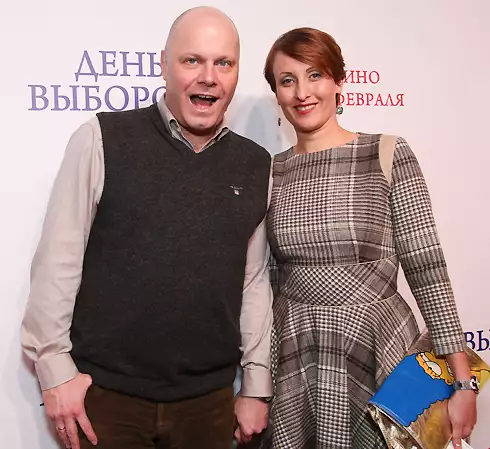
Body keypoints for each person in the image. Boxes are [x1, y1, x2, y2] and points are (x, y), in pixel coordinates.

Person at [20, 7, 273, 449]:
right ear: (163, 65)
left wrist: (255, 384)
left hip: (210, 405)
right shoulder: (101, 137)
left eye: (224, 63)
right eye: (192, 60)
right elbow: (59, 260)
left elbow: (252, 283)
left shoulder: (255, 163)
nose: (209, 77)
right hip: (105, 402)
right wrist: (54, 370)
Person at [261, 27, 477, 449]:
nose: (302, 92)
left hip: (377, 347)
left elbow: (427, 269)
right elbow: (266, 279)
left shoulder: (387, 153)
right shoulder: (271, 171)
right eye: (288, 80)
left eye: (315, 75)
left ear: (338, 81)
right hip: (296, 351)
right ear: (277, 95)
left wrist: (463, 381)